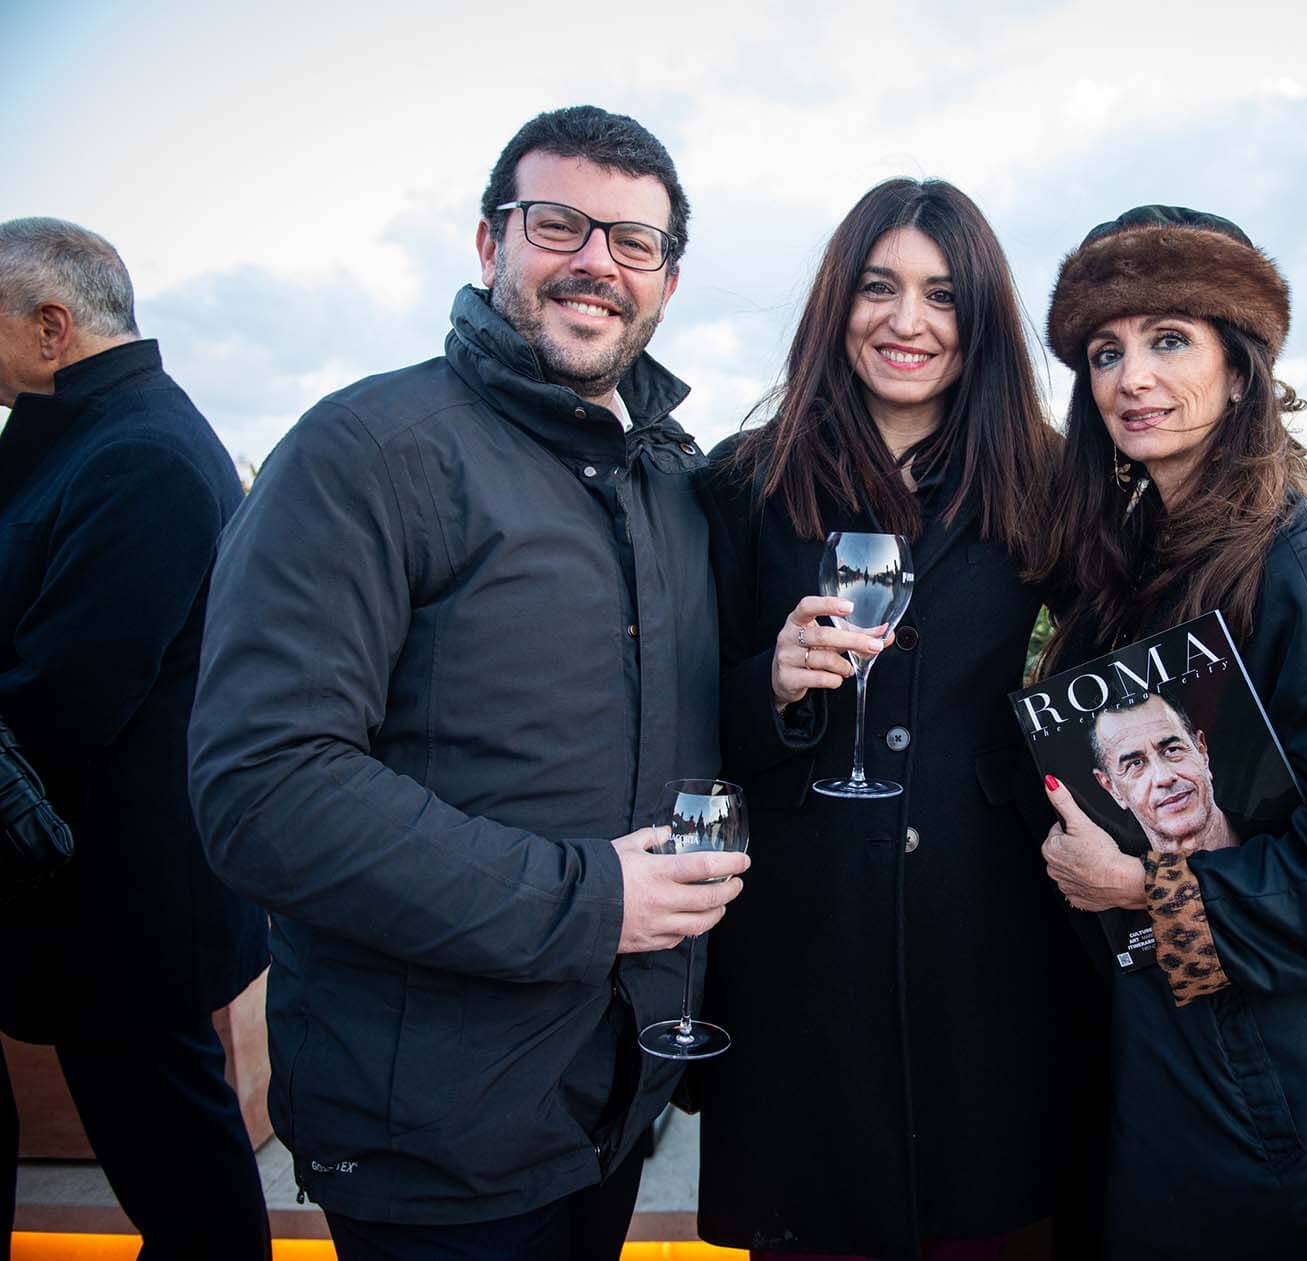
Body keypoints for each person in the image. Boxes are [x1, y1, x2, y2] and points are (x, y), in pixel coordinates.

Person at [188, 107, 748, 1260]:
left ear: (668, 283)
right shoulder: (367, 452)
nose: (596, 261)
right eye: (559, 225)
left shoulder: (671, 482)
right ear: (491, 245)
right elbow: (264, 791)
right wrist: (589, 900)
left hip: (605, 1100)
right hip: (432, 1131)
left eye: (632, 242)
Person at [1031, 205, 1307, 1259]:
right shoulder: (1138, 551)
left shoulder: (1301, 568)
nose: (1132, 378)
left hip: (1282, 1081)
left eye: (1170, 340)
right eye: (1106, 351)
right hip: (1175, 1050)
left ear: (1240, 366)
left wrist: (1144, 889)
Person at [696, 178, 1094, 1261]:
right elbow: (688, 719)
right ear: (839, 303)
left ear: (981, 322)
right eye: (879, 288)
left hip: (989, 943)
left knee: (986, 1224)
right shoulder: (743, 483)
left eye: (942, 295)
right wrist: (771, 685)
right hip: (803, 953)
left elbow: (1112, 667)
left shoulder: (1049, 482)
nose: (906, 321)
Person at [0, 217, 270, 1260]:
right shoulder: (111, 436)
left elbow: (67, 695)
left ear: (53, 327)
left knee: (184, 1179)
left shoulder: (141, 455)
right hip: (94, 888)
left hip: (121, 899)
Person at [1087, 691, 1235, 854]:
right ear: (1112, 788)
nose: (1164, 778)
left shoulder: (1267, 837)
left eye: (1172, 750)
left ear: (1202, 752)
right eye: (1136, 763)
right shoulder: (1109, 877)